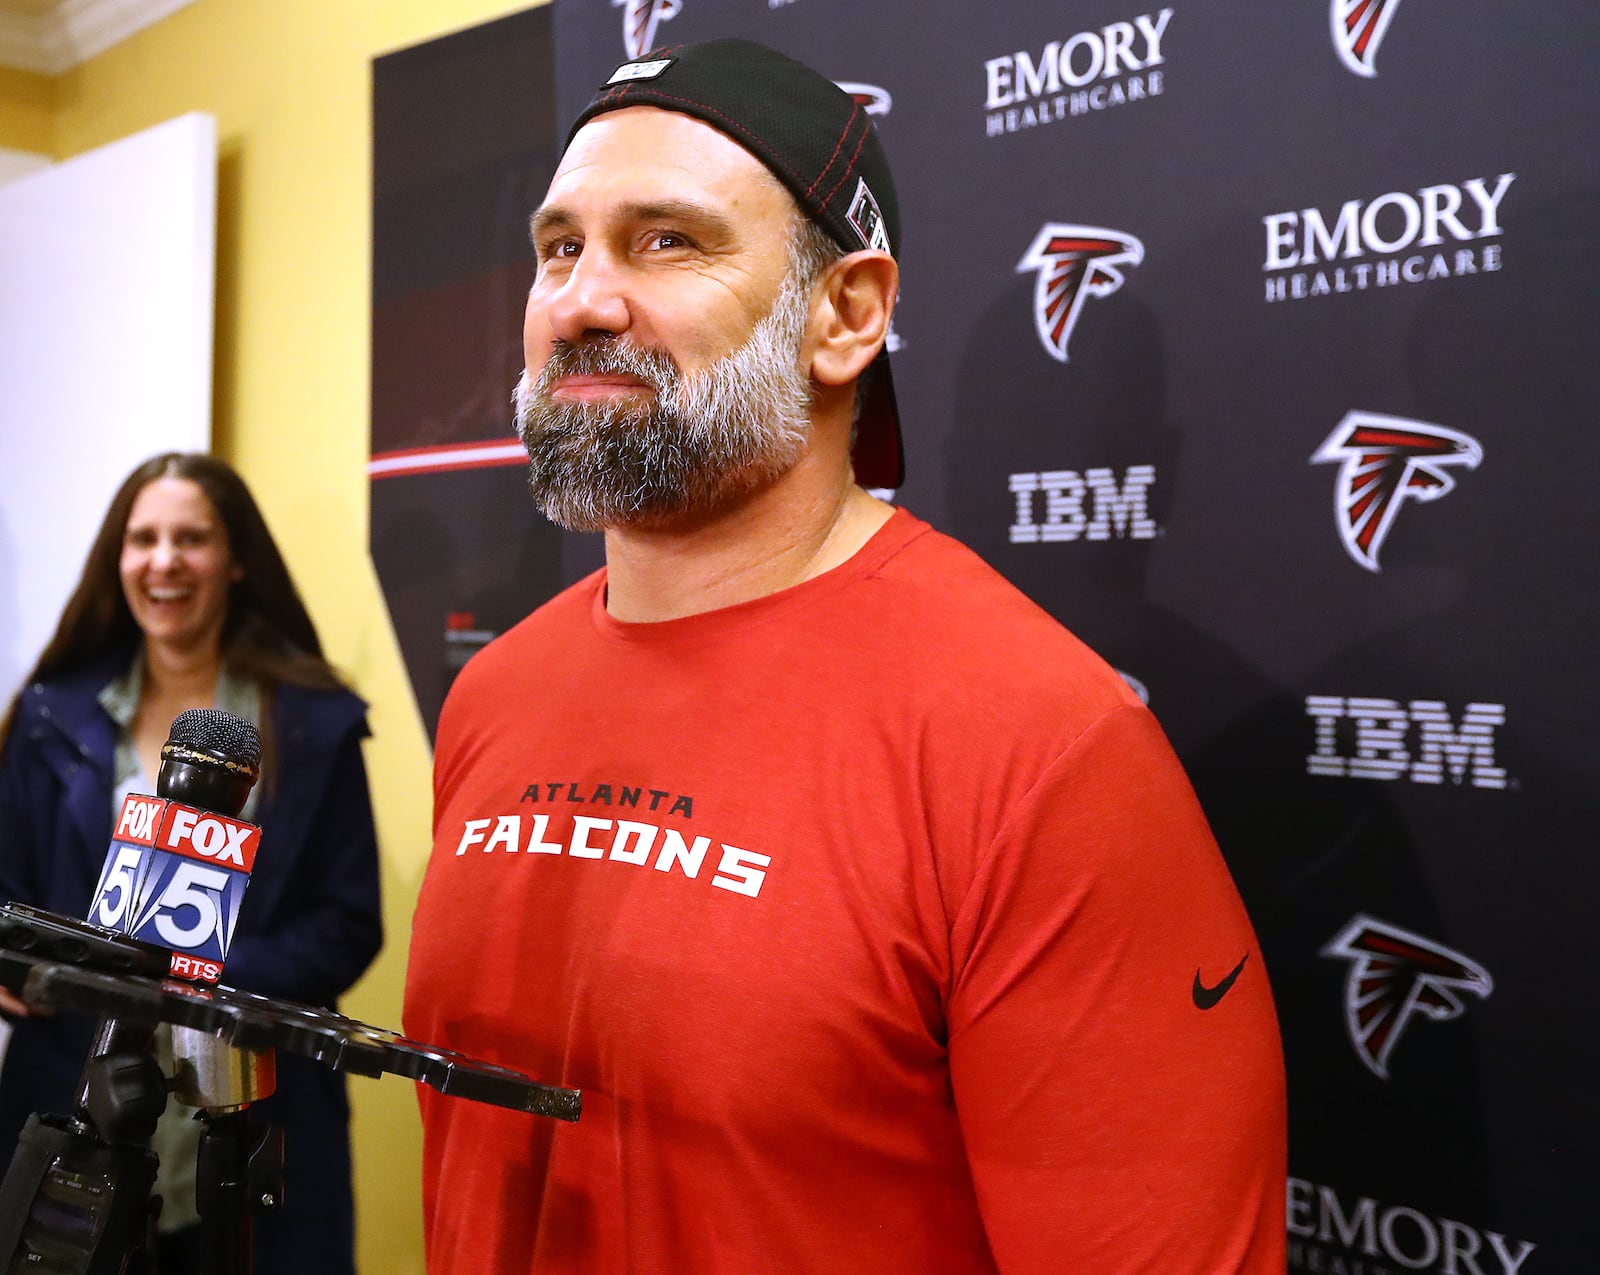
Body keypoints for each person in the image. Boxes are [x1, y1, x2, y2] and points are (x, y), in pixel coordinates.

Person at [403, 38, 1286, 1273]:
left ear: (846, 315)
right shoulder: (497, 691)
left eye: (668, 241)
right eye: (562, 246)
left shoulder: (1039, 742)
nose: (584, 300)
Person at [0, 452, 382, 1274]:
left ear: (235, 558)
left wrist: (191, 977)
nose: (164, 559)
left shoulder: (314, 723)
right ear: (119, 559)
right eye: (142, 538)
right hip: (72, 1112)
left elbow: (349, 922)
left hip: (255, 1130)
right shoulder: (45, 717)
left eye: (191, 538)